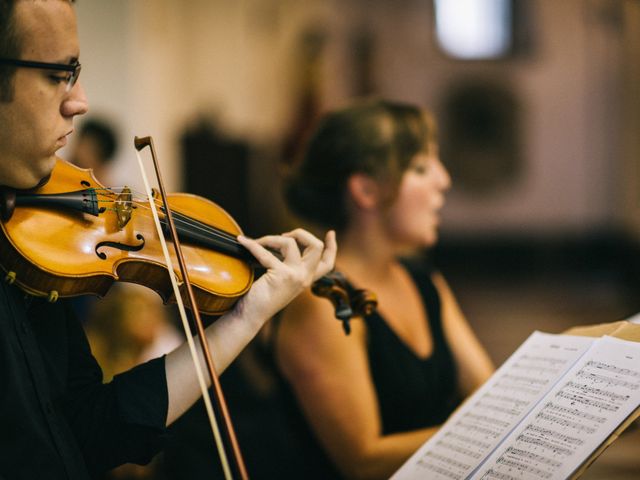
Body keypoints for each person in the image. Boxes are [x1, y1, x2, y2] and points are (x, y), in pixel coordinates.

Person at [0, 1, 336, 479]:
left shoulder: (29, 245)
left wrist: (247, 316)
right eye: (59, 74)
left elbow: (90, 430)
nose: (80, 101)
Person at [272, 98, 494, 479]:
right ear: (366, 190)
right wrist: (492, 434)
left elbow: (490, 396)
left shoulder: (426, 283)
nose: (444, 180)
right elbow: (364, 460)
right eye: (421, 167)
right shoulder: (322, 302)